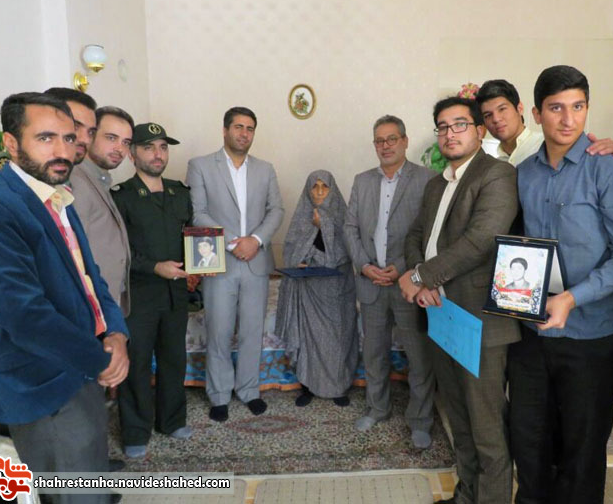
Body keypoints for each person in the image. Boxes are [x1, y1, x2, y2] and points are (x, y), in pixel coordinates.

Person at [0, 92, 129, 503]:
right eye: (46, 138)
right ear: (11, 143)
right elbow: (27, 317)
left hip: (79, 366)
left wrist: (116, 333)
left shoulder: (55, 195)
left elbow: (90, 279)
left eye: (69, 138)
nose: (64, 150)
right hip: (45, 379)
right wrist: (100, 360)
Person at [509, 65, 613, 504]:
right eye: (556, 108)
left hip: (591, 337)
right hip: (532, 335)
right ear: (537, 114)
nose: (568, 119)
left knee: (582, 454)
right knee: (529, 444)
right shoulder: (524, 173)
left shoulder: (610, 171)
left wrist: (572, 297)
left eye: (578, 106)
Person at [400, 97, 521, 504]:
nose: (450, 134)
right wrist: (421, 278)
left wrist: (421, 276)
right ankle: (467, 495)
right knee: (460, 421)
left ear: (479, 131)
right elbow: (415, 236)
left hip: (480, 321)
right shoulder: (437, 184)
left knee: (487, 429)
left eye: (459, 124)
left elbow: (480, 241)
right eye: (442, 127)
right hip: (441, 314)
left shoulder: (496, 173)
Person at [344, 114, 437, 449]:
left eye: (392, 139)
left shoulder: (427, 180)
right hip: (370, 282)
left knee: (419, 356)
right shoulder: (362, 181)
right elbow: (350, 228)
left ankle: (421, 421)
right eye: (379, 141)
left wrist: (401, 267)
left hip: (408, 283)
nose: (385, 146)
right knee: (374, 352)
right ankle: (377, 408)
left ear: (405, 141)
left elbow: (428, 233)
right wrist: (364, 265)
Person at [186, 106, 284, 420]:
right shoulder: (200, 165)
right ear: (225, 130)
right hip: (219, 260)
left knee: (252, 332)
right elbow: (198, 212)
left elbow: (276, 210)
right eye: (238, 127)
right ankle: (218, 395)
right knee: (218, 330)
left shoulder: (265, 169)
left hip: (257, 259)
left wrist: (255, 240)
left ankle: (249, 390)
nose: (244, 133)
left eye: (250, 128)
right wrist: (234, 242)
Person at [111, 122, 193, 459]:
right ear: (133, 155)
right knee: (138, 363)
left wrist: (202, 263)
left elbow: (191, 237)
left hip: (176, 293)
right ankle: (135, 431)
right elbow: (119, 249)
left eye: (162, 147)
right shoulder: (121, 197)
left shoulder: (179, 192)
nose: (157, 154)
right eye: (148, 147)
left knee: (174, 358)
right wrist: (154, 267)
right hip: (140, 294)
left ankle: (172, 421)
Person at [275, 170, 357, 408]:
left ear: (332, 190)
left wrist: (324, 225)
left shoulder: (343, 217)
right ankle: (308, 385)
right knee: (308, 339)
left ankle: (338, 386)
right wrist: (300, 259)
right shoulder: (302, 216)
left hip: (336, 292)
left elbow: (346, 252)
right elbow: (290, 250)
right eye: (315, 186)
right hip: (308, 291)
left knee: (337, 340)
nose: (320, 191)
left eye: (325, 186)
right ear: (308, 190)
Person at [69, 106, 133, 315]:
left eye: (126, 142)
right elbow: (73, 251)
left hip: (106, 299)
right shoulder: (75, 180)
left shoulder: (100, 180)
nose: (119, 149)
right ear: (90, 136)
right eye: (111, 138)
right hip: (88, 303)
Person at [475, 78, 613, 165]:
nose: (496, 119)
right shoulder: (496, 162)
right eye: (488, 115)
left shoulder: (547, 144)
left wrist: (608, 152)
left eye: (502, 109)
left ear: (519, 108)